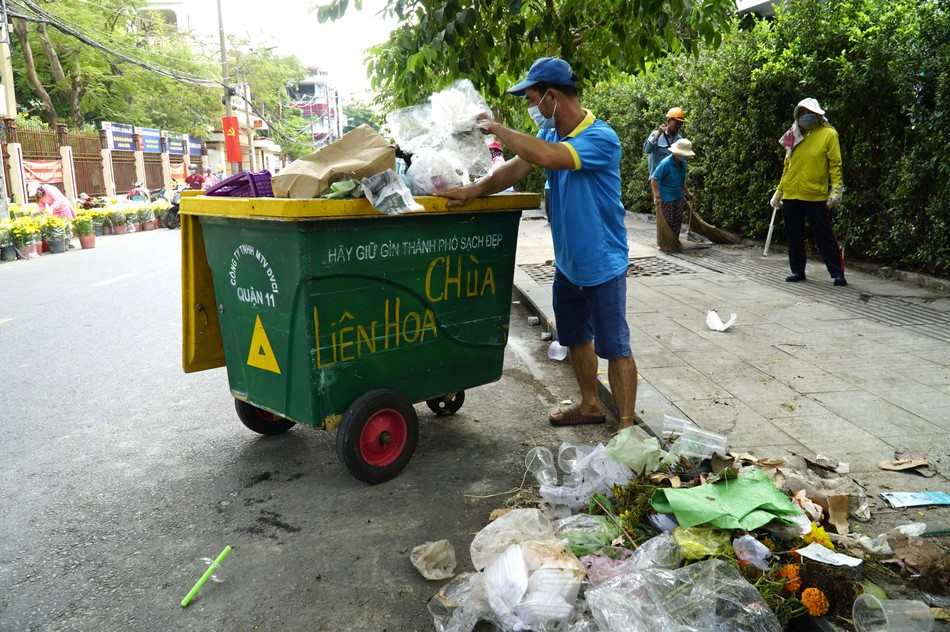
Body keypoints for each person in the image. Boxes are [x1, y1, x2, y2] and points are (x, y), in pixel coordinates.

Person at [440, 57, 638, 430]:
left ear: (551, 97)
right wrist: (474, 191)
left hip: (603, 263)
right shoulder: (550, 134)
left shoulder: (600, 137)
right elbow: (515, 168)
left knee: (616, 347)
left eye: (532, 100)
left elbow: (549, 158)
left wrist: (496, 127)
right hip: (568, 265)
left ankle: (626, 427)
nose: (531, 108)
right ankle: (591, 406)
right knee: (577, 338)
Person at [770, 97, 846, 286]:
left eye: (808, 113)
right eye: (801, 113)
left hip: (815, 194)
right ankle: (797, 271)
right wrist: (779, 192)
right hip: (791, 194)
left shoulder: (829, 134)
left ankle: (837, 273)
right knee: (794, 235)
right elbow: (787, 167)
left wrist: (835, 190)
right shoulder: (793, 135)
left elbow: (835, 165)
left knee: (824, 234)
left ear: (818, 115)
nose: (805, 117)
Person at [650, 138, 696, 251]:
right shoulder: (666, 163)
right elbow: (654, 179)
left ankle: (674, 242)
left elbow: (681, 180)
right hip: (666, 199)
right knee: (667, 223)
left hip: (678, 197)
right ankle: (664, 244)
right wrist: (657, 196)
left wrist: (687, 192)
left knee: (676, 223)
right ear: (676, 152)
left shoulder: (682, 163)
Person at [643, 107, 686, 181]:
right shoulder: (656, 134)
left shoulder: (679, 140)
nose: (678, 126)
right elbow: (647, 150)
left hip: (672, 181)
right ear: (668, 120)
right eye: (676, 123)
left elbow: (682, 162)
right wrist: (658, 134)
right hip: (657, 181)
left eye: (680, 124)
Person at [29, 182, 77, 246]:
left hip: (64, 207)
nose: (35, 195)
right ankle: (61, 242)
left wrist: (52, 207)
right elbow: (42, 207)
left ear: (38, 188)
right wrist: (35, 211)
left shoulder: (48, 188)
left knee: (67, 226)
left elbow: (59, 199)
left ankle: (68, 242)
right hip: (55, 210)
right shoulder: (39, 196)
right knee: (57, 226)